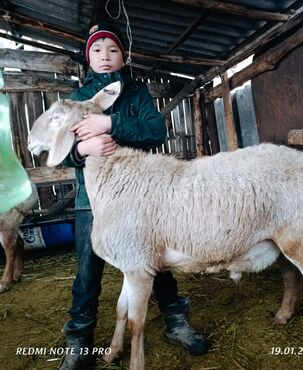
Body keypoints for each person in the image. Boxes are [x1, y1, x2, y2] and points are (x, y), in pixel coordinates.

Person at [59, 22, 208, 370]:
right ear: (88, 57)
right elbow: (63, 150)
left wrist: (110, 125)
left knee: (154, 260)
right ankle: (79, 342)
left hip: (140, 196)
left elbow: (156, 130)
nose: (105, 56)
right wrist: (83, 148)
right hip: (92, 198)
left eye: (113, 50)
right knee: (87, 271)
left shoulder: (136, 94)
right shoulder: (78, 100)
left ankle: (175, 321)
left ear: (123, 57)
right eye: (97, 50)